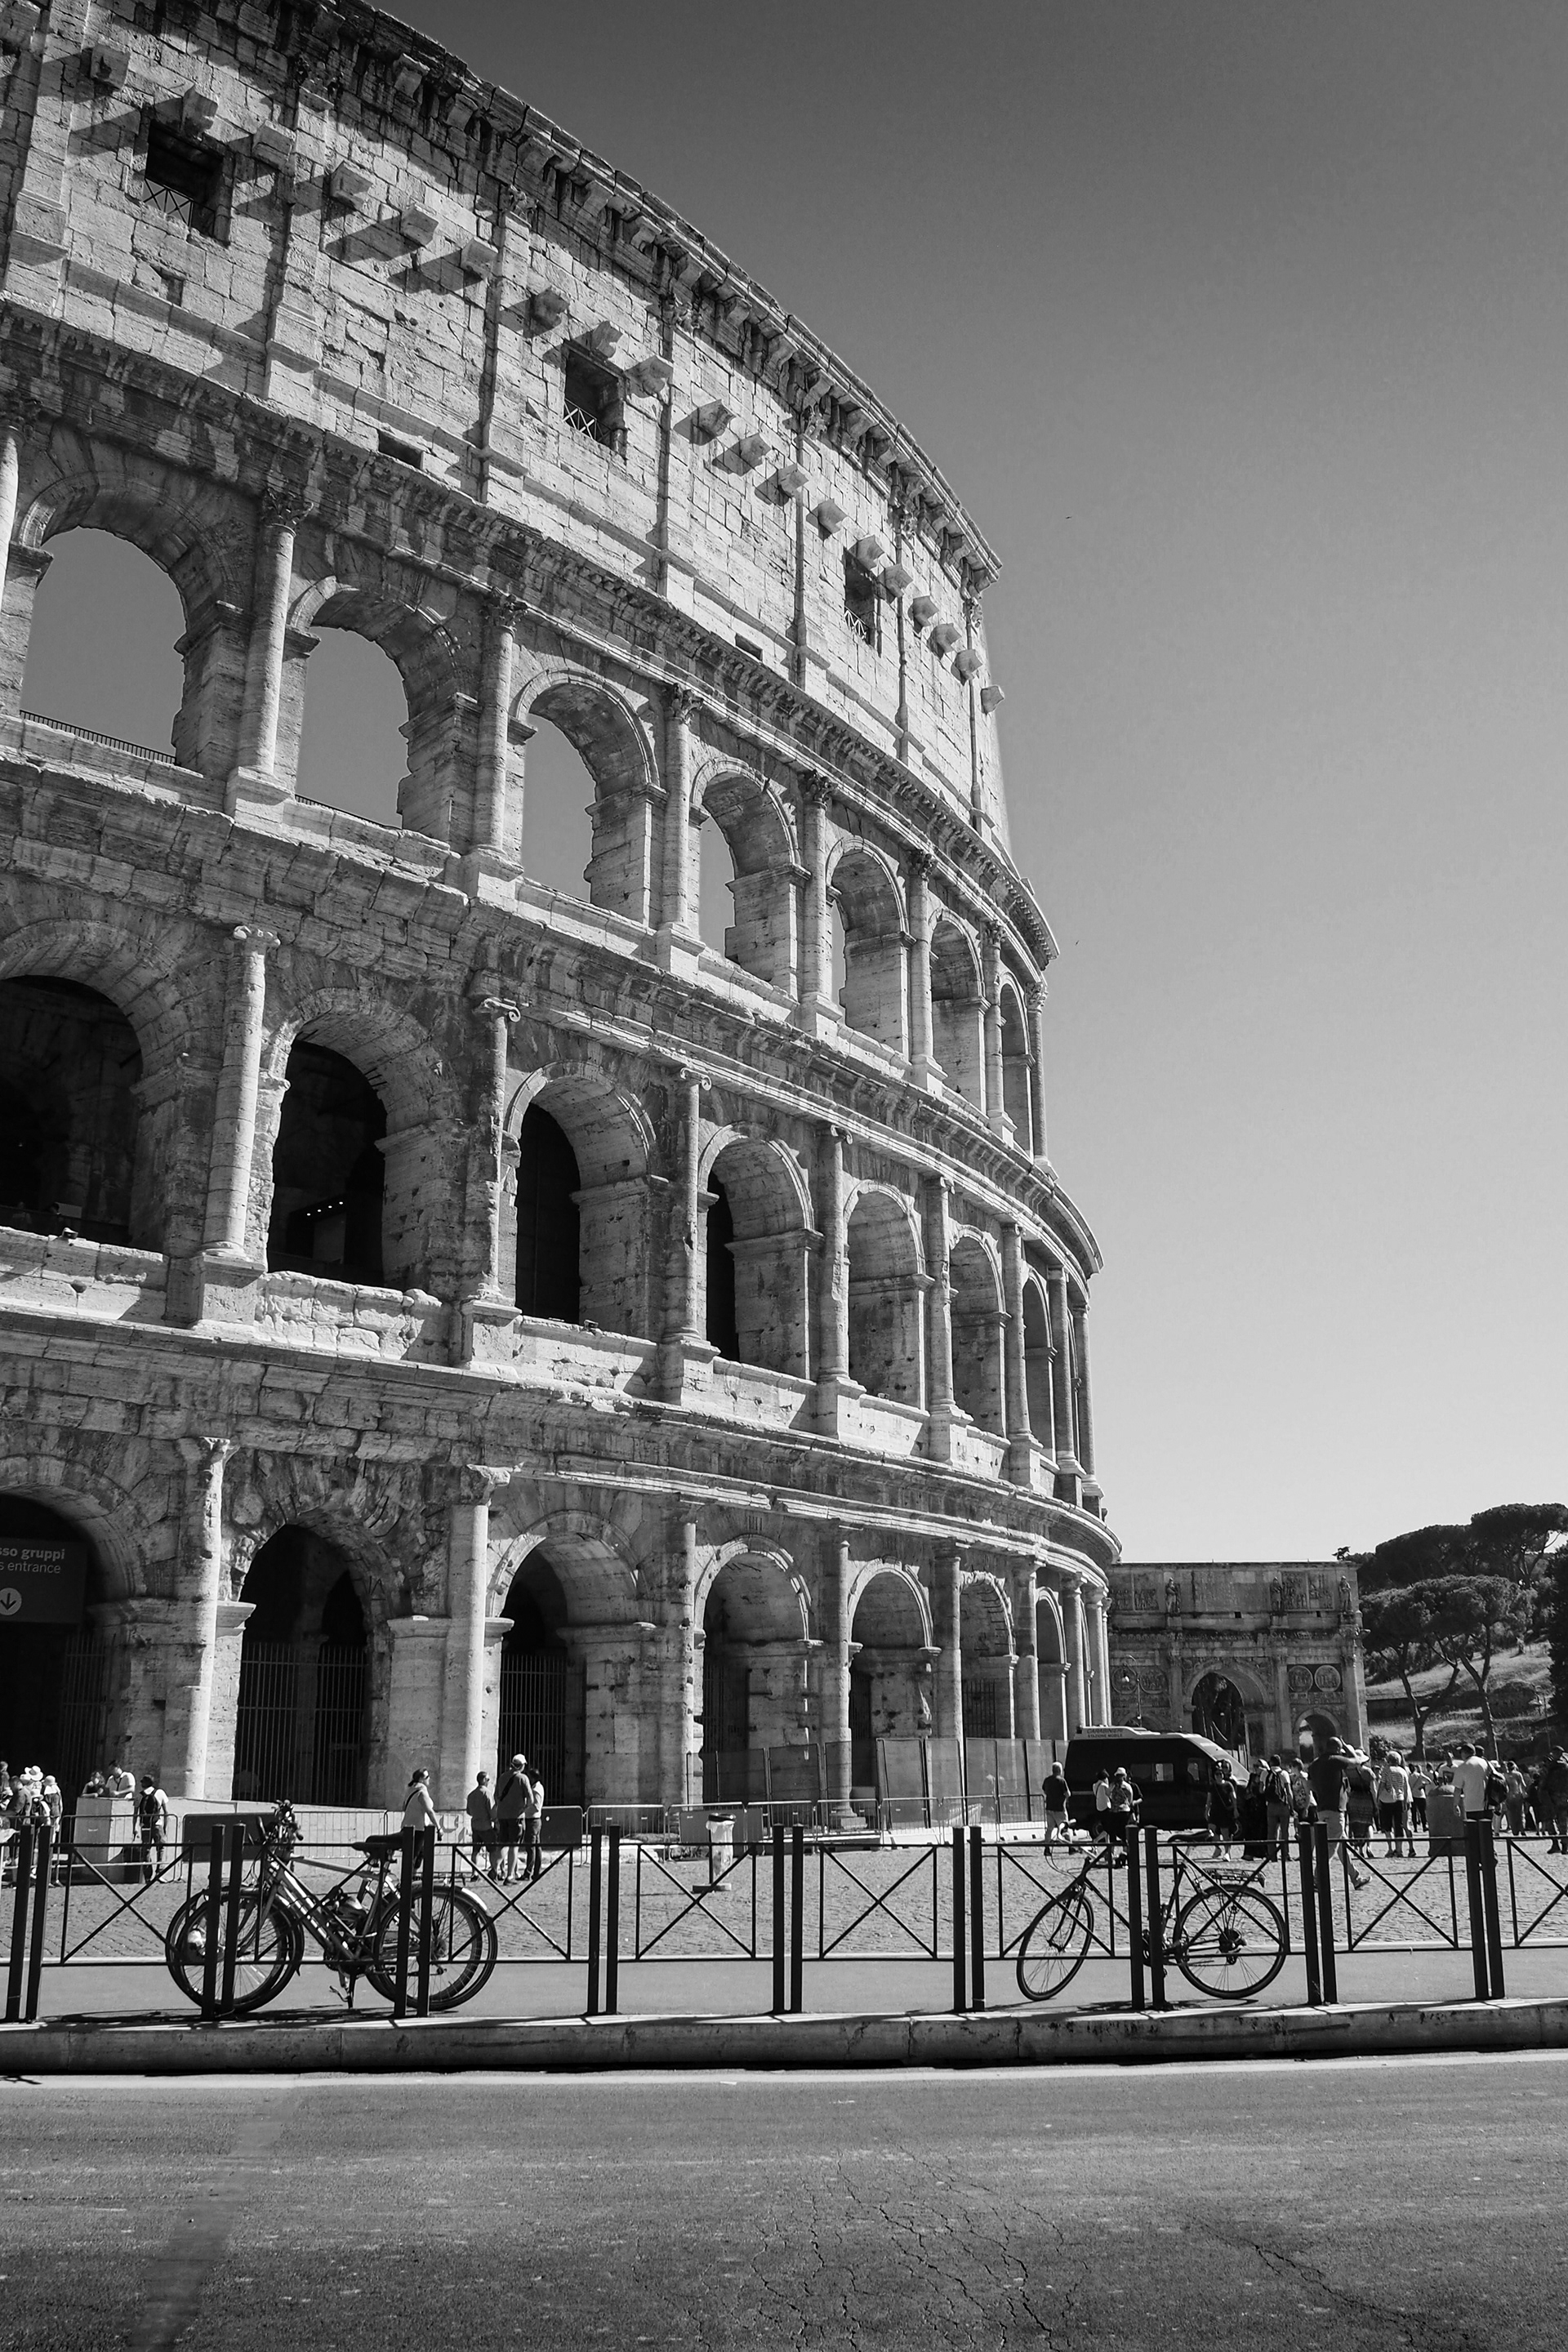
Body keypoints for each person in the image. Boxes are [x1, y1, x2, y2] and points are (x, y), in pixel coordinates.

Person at [1307, 1736, 1369, 1890]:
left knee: (1342, 1847)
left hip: (1322, 1809)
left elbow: (1310, 1785)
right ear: (1336, 1749)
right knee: (1330, 1849)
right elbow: (1357, 1762)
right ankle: (1317, 1880)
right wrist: (1349, 1748)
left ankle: (1356, 1878)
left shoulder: (1314, 1764)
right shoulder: (1335, 1760)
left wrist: (1323, 1792)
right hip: (1335, 1810)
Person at [495, 1753, 530, 1882]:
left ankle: (494, 1869)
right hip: (517, 1816)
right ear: (521, 1766)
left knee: (503, 1844)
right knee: (514, 1845)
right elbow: (531, 1800)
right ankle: (510, 1875)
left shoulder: (502, 1777)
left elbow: (496, 1796)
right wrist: (523, 1808)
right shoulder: (523, 1778)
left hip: (503, 1816)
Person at [1377, 1751, 1415, 1860]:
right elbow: (1405, 1788)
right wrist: (1404, 1802)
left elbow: (1382, 1785)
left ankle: (1390, 1848)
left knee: (1387, 1825)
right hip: (1400, 1799)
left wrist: (1378, 1799)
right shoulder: (1403, 1771)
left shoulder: (1386, 1770)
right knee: (1399, 1825)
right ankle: (1399, 1850)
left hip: (1387, 1800)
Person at [1263, 1753, 1296, 1862]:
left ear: (1270, 1763)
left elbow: (1260, 1790)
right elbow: (1288, 1792)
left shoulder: (1265, 1774)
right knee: (1284, 1831)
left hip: (1271, 1806)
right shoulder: (1284, 1774)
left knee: (1271, 1832)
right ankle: (1285, 1854)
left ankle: (1272, 1855)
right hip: (1283, 1805)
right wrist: (1292, 1807)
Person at [466, 1770, 497, 1878]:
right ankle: (494, 1871)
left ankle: (474, 1873)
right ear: (484, 1780)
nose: (489, 1782)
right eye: (488, 1780)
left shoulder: (471, 1795)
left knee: (475, 1851)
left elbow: (468, 1811)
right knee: (492, 1850)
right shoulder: (487, 1793)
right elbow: (492, 1810)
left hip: (475, 1825)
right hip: (486, 1826)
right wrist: (496, 1820)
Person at [136, 1775, 168, 1880]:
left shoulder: (139, 1795)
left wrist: (134, 1828)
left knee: (146, 1850)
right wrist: (165, 1827)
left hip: (145, 1826)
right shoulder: (160, 1793)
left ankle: (147, 1876)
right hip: (157, 1824)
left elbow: (135, 1814)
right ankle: (159, 1872)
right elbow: (166, 1812)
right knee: (161, 1848)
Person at [1536, 1748, 1568, 1854]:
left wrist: (1541, 1795)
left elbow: (1542, 1782)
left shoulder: (1549, 1767)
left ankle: (1555, 1844)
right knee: (1563, 1822)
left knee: (1549, 1821)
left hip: (1550, 1797)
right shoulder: (1566, 1766)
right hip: (1563, 1796)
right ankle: (1565, 1845)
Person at [1450, 1742, 1491, 1822]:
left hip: (1472, 1805)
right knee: (1486, 1831)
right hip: (1488, 1804)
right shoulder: (1485, 1762)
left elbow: (1458, 1789)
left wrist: (1455, 1805)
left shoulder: (1463, 1767)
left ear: (1465, 1753)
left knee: (1473, 1831)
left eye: (1461, 1752)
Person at [1205, 1759, 1239, 1857]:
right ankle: (1217, 1848)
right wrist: (1207, 1811)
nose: (1219, 1776)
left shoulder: (1228, 1785)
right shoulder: (1212, 1786)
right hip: (1215, 1811)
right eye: (1217, 1774)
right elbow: (1209, 1800)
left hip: (1225, 1812)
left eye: (1220, 1774)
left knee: (1225, 1832)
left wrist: (1235, 1809)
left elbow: (1234, 1798)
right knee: (1212, 1830)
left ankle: (1227, 1852)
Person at [1107, 1766, 1138, 1863]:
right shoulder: (1127, 1786)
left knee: (1113, 1832)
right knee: (1124, 1834)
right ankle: (1126, 1853)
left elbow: (1107, 1794)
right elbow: (1130, 1798)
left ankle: (1112, 1853)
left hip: (1115, 1810)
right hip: (1125, 1810)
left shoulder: (1113, 1785)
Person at [401, 1766, 442, 1839]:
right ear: (421, 1779)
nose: (429, 1778)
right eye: (427, 1777)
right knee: (417, 1850)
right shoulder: (422, 1792)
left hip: (406, 1826)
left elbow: (404, 1808)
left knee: (408, 1849)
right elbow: (430, 1811)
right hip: (419, 1828)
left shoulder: (409, 1790)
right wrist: (438, 1827)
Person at [522, 1766, 546, 1885]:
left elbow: (536, 1806)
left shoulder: (536, 1790)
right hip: (534, 1819)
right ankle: (535, 1871)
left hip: (533, 1819)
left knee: (531, 1847)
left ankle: (529, 1872)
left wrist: (524, 1809)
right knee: (536, 1846)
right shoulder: (536, 1787)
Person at [1041, 1760, 1071, 1852]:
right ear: (1060, 1770)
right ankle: (1071, 1847)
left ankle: (1047, 1848)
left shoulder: (1047, 1780)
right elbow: (1067, 1794)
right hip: (1059, 1808)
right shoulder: (1061, 1781)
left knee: (1049, 1829)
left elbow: (1045, 1791)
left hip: (1049, 1807)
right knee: (1065, 1828)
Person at [1092, 1768, 1112, 1844]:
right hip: (1106, 1808)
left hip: (1099, 1808)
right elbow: (1110, 1795)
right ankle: (1096, 1840)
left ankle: (1108, 1845)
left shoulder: (1094, 1785)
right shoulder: (1104, 1786)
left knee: (1105, 1828)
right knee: (1109, 1829)